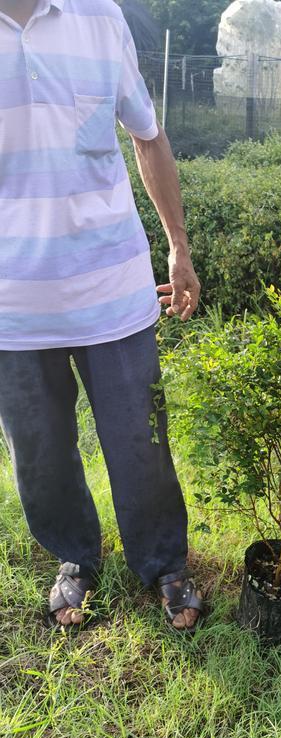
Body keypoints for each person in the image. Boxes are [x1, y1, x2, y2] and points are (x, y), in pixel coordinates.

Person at [0, 0, 204, 630]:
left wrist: (178, 247)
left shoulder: (100, 16)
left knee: (142, 442)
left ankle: (164, 562)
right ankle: (76, 555)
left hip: (113, 287)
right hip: (12, 304)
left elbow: (148, 135)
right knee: (40, 453)